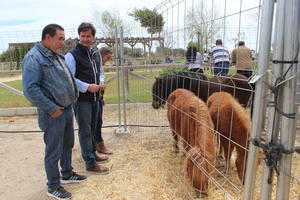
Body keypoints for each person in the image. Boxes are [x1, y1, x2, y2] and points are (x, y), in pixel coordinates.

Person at [22, 24, 86, 200]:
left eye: (63, 38)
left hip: (66, 110)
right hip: (53, 113)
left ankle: (66, 173)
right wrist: (51, 108)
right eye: (60, 38)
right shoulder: (33, 58)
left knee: (67, 144)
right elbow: (30, 89)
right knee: (53, 150)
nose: (63, 42)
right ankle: (53, 186)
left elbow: (67, 79)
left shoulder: (58, 56)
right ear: (47, 37)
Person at [65, 22, 110, 174]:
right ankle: (90, 163)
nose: (85, 39)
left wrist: (101, 80)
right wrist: (86, 87)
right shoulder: (71, 55)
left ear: (93, 37)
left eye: (88, 36)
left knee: (93, 127)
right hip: (82, 99)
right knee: (85, 130)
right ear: (79, 36)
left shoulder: (96, 53)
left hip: (96, 98)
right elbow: (69, 78)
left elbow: (100, 71)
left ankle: (93, 154)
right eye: (82, 36)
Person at [95, 46, 113, 154]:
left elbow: (100, 80)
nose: (109, 60)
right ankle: (99, 144)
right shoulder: (96, 64)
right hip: (93, 97)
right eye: (108, 57)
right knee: (96, 122)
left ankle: (96, 144)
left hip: (98, 97)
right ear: (102, 55)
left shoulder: (99, 65)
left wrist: (102, 97)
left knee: (98, 121)